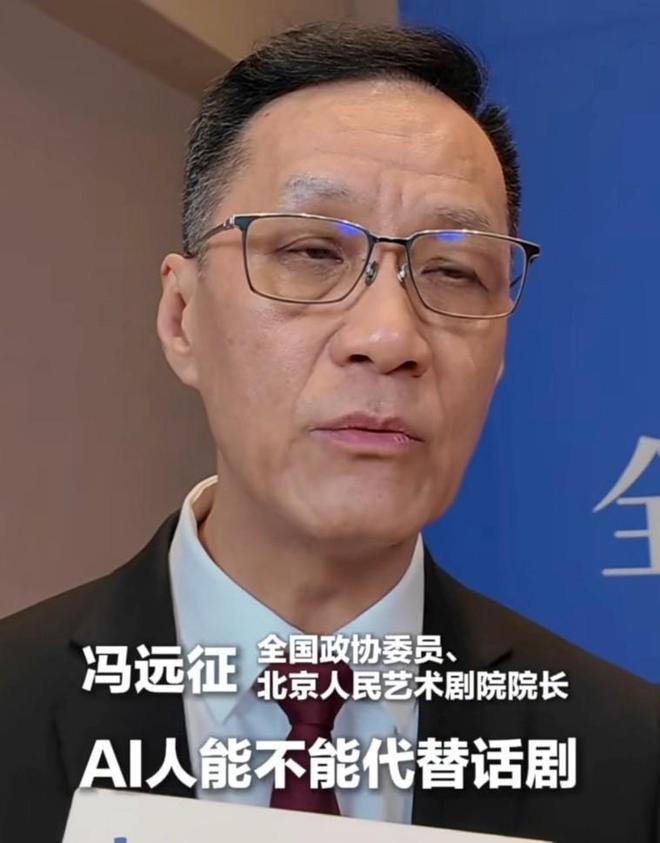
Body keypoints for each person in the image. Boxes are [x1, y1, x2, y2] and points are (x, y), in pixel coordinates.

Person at [1, 21, 658, 843]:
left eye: (453, 270)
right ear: (181, 317)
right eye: (313, 252)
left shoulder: (630, 760)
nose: (389, 337)